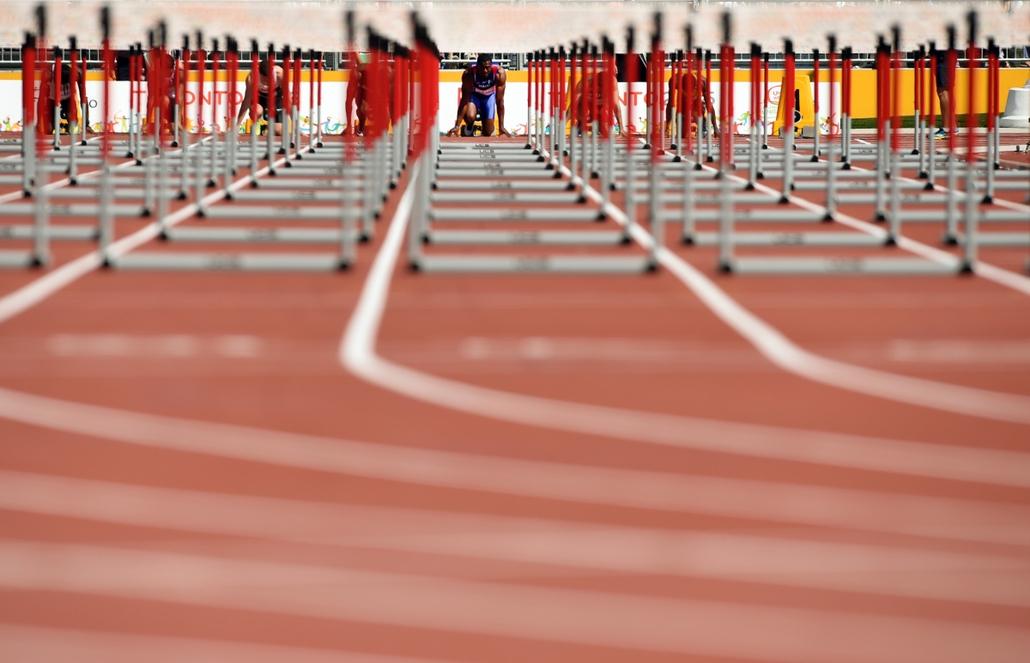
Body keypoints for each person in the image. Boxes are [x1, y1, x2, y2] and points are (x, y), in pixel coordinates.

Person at [447, 53, 511, 137]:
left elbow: (499, 101)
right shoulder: (468, 74)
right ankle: (469, 126)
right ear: (477, 66)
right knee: (470, 116)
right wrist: (457, 125)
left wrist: (501, 126)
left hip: (489, 96)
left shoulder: (499, 73)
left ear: (491, 66)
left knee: (487, 133)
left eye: (487, 68)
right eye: (482, 68)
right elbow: (464, 101)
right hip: (475, 96)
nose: (485, 71)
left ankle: (489, 127)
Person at [37, 56, 91, 135]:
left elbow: (83, 98)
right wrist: (38, 122)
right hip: (52, 98)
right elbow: (41, 99)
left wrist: (86, 123)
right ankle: (53, 125)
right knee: (48, 130)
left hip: (68, 98)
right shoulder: (47, 74)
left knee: (74, 130)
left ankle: (73, 125)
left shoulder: (77, 74)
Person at [567, 61, 624, 135]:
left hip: (600, 108)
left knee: (607, 133)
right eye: (599, 85)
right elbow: (572, 107)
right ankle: (581, 123)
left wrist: (621, 129)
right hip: (585, 107)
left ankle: (594, 126)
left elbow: (616, 105)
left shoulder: (612, 83)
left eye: (603, 86)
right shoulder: (585, 83)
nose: (600, 89)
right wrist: (561, 127)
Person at [235, 56, 286, 136]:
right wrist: (237, 126)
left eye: (269, 78)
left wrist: (297, 128)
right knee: (256, 111)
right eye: (264, 78)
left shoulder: (280, 74)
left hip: (275, 97)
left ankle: (267, 127)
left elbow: (288, 99)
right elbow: (247, 101)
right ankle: (256, 122)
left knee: (279, 131)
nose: (267, 81)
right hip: (259, 97)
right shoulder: (252, 77)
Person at [665, 67, 719, 139]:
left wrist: (715, 128)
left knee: (697, 114)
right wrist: (667, 127)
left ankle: (702, 126)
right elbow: (670, 104)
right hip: (683, 104)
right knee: (681, 136)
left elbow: (709, 105)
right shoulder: (675, 81)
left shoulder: (703, 81)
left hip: (696, 103)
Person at [144, 49, 185, 134]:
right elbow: (151, 98)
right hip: (161, 92)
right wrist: (148, 122)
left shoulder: (180, 71)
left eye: (167, 73)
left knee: (175, 130)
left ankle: (173, 124)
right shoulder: (153, 72)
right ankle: (161, 121)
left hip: (173, 92)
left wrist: (178, 121)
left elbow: (180, 97)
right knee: (164, 100)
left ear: (172, 69)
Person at [934, 48, 951, 140]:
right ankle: (951, 126)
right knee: (947, 91)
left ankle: (946, 129)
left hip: (943, 55)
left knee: (942, 91)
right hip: (946, 55)